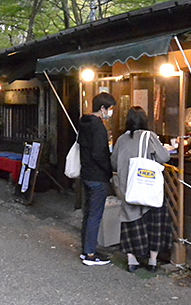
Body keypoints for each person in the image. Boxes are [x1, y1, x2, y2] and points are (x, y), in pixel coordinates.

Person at [111, 106, 172, 273]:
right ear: (145, 121)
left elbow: (114, 163)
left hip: (128, 190)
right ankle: (152, 260)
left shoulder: (121, 139)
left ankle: (132, 260)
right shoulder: (149, 136)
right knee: (154, 224)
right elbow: (164, 157)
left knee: (130, 224)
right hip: (147, 190)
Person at [78, 92, 116, 266]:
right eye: (110, 109)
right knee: (95, 215)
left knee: (88, 213)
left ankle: (86, 248)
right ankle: (91, 254)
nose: (111, 112)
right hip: (97, 176)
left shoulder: (84, 123)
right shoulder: (98, 127)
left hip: (85, 172)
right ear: (102, 108)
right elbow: (99, 154)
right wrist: (109, 170)